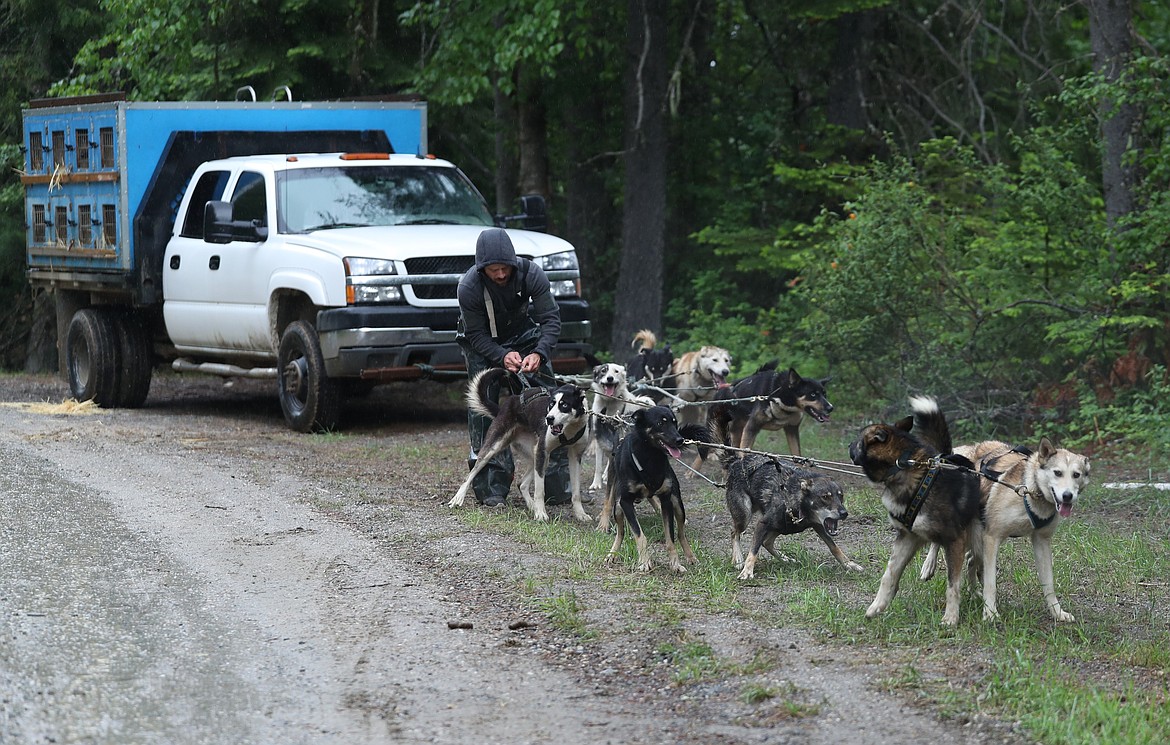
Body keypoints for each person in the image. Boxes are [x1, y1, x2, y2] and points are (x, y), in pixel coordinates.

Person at [456, 227, 573, 507]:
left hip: (524, 334)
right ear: (482, 269)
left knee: (550, 401)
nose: (500, 275)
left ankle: (555, 482)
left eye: (504, 268)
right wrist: (501, 355)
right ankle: (491, 486)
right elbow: (476, 335)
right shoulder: (468, 287)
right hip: (482, 341)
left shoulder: (531, 274)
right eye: (493, 270)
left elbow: (550, 319)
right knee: (485, 409)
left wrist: (539, 354)